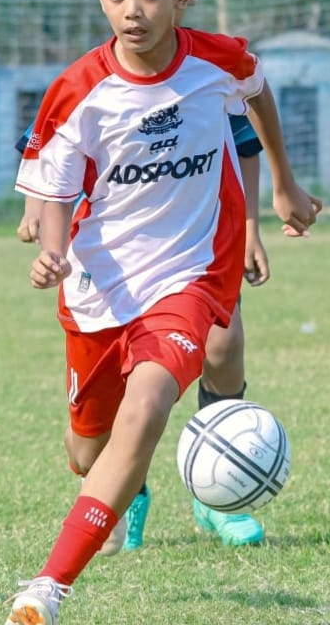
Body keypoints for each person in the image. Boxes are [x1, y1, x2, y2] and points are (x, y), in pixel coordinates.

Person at [7, 0, 321, 625]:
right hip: (99, 287)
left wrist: (283, 184)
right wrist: (52, 245)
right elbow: (54, 188)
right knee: (88, 450)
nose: (133, 10)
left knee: (149, 405)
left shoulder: (218, 61)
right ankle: (125, 487)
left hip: (190, 273)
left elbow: (256, 96)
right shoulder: (78, 90)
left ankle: (48, 586)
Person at [17, 115, 270, 549]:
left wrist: (249, 229)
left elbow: (244, 144)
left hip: (195, 248)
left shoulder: (203, 81)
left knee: (223, 346)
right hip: (114, 260)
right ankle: (126, 490)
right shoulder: (87, 88)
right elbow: (44, 144)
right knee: (89, 444)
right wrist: (34, 210)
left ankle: (221, 494)